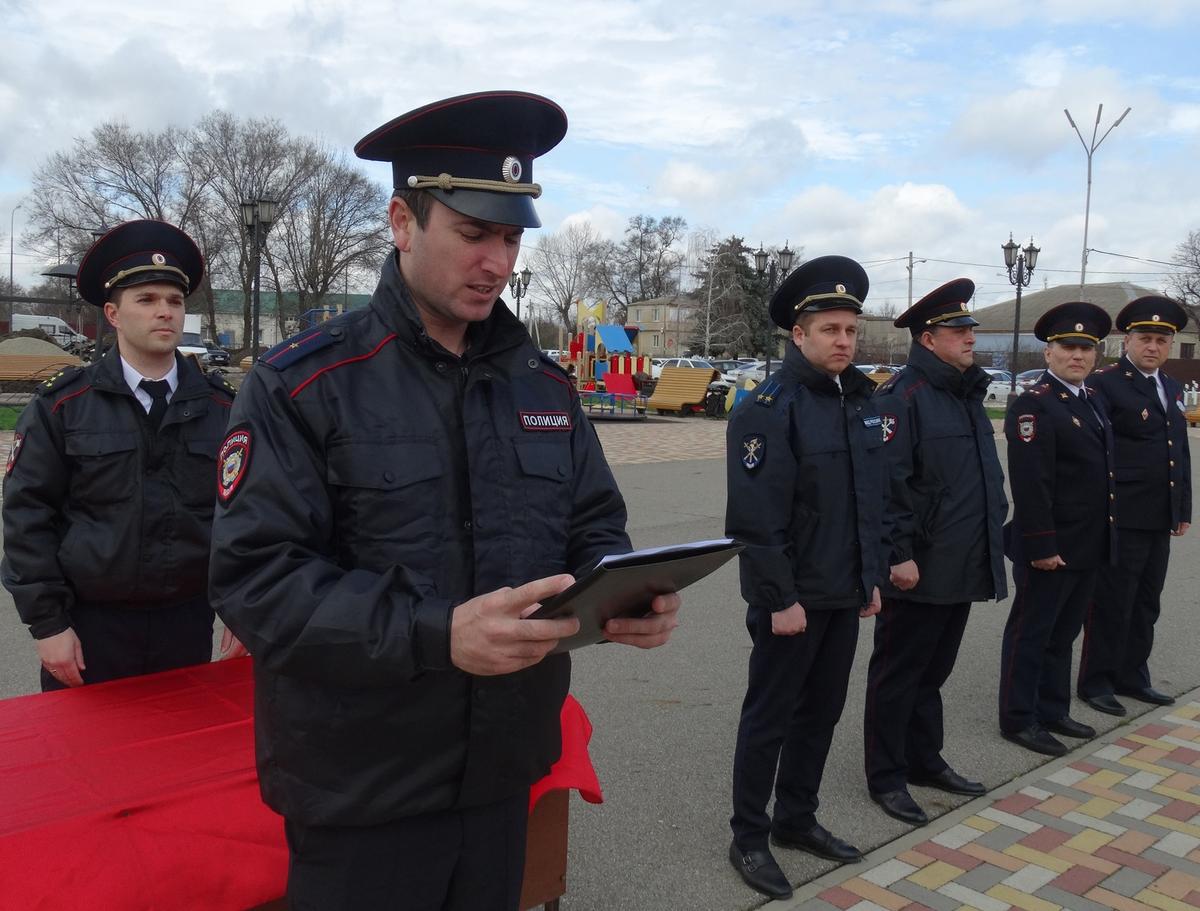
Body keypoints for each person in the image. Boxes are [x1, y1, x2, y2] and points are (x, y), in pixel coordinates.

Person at [207, 91, 680, 911]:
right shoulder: (304, 384)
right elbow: (258, 580)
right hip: (362, 788)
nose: (496, 261)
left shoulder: (542, 385)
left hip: (502, 770)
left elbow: (592, 522)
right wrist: (437, 632)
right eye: (472, 233)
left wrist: (625, 591)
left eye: (510, 236)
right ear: (402, 221)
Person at [2, 219, 241, 691]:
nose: (165, 312)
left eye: (174, 301)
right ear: (112, 314)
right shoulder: (64, 406)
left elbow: (245, 514)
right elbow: (28, 517)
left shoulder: (222, 407)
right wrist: (48, 624)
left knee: (180, 759)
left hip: (186, 626)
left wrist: (241, 604)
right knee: (85, 762)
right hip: (91, 629)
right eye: (147, 300)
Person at [725, 255, 886, 901]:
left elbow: (865, 501)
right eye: (829, 329)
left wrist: (869, 576)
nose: (843, 340)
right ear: (799, 335)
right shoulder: (768, 408)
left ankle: (797, 817)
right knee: (770, 716)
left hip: (843, 591)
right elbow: (756, 519)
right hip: (790, 599)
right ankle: (748, 835)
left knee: (821, 711)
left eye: (850, 329)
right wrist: (779, 599)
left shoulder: (859, 401)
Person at [863, 279, 1008, 827]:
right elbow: (887, 485)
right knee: (900, 672)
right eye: (959, 330)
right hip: (917, 565)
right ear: (928, 338)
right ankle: (886, 775)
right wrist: (897, 554)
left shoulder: (964, 395)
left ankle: (924, 759)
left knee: (934, 670)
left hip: (962, 556)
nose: (970, 338)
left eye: (970, 328)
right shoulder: (902, 399)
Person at [998, 302, 1115, 756]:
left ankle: (1052, 708)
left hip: (1086, 544)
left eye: (1087, 348)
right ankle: (1018, 718)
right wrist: (1041, 545)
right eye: (1068, 347)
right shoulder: (1034, 405)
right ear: (1048, 353)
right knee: (1031, 634)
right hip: (1049, 546)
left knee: (1063, 633)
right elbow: (1032, 483)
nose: (1078, 356)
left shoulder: (1092, 400)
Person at [1078, 296, 1191, 714]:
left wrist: (1182, 509)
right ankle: (1097, 681)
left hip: (1158, 515)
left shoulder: (1170, 386)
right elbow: (1094, 450)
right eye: (1145, 338)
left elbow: (1178, 449)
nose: (1153, 347)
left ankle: (1132, 675)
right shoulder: (1105, 384)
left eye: (1162, 340)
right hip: (1120, 514)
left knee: (1146, 600)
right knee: (1112, 601)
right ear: (1127, 340)